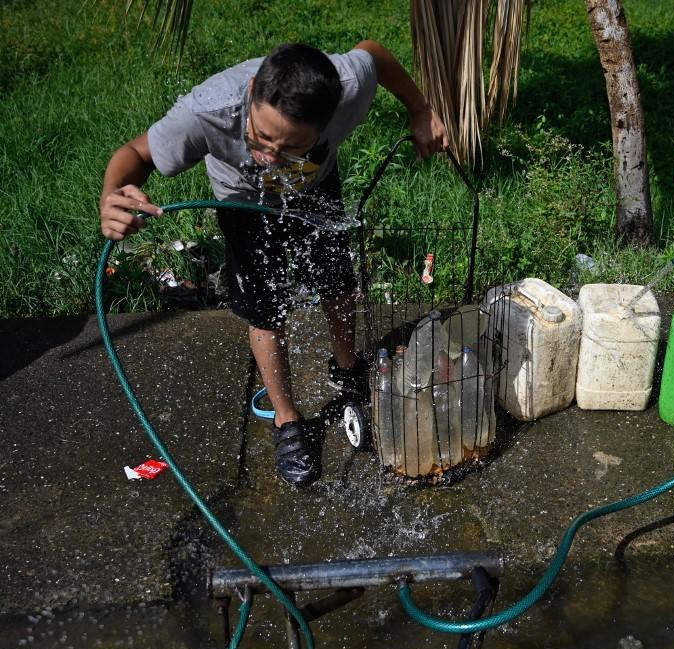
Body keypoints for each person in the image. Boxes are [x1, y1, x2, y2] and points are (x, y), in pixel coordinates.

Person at [100, 42, 448, 488]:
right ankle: (287, 419)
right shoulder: (206, 111)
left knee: (337, 280)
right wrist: (113, 194)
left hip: (317, 187)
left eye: (289, 148)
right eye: (261, 138)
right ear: (250, 93)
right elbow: (136, 154)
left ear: (326, 121)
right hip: (244, 203)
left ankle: (348, 369)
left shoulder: (347, 84)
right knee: (264, 309)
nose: (268, 155)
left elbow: (374, 54)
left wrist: (421, 110)